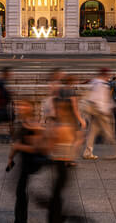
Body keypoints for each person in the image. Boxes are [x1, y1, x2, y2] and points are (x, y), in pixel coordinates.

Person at [46, 75, 84, 222]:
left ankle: (55, 209)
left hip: (59, 155)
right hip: (69, 122)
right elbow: (74, 108)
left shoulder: (60, 92)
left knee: (59, 187)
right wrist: (80, 120)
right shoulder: (71, 93)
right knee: (59, 188)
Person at [8, 100, 48, 223]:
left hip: (31, 163)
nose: (19, 108)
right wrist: (11, 157)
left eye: (22, 105)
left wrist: (17, 148)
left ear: (29, 109)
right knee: (20, 192)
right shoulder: (23, 122)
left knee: (21, 192)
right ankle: (20, 219)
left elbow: (36, 148)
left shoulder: (33, 124)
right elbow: (17, 142)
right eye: (18, 105)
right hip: (24, 162)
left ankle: (20, 220)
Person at [81, 68, 116, 160]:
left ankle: (87, 153)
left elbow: (91, 81)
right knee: (108, 132)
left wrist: (86, 81)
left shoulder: (96, 81)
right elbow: (102, 100)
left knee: (92, 132)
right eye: (108, 75)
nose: (108, 77)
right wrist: (106, 112)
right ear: (105, 75)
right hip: (99, 111)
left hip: (92, 109)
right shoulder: (103, 85)